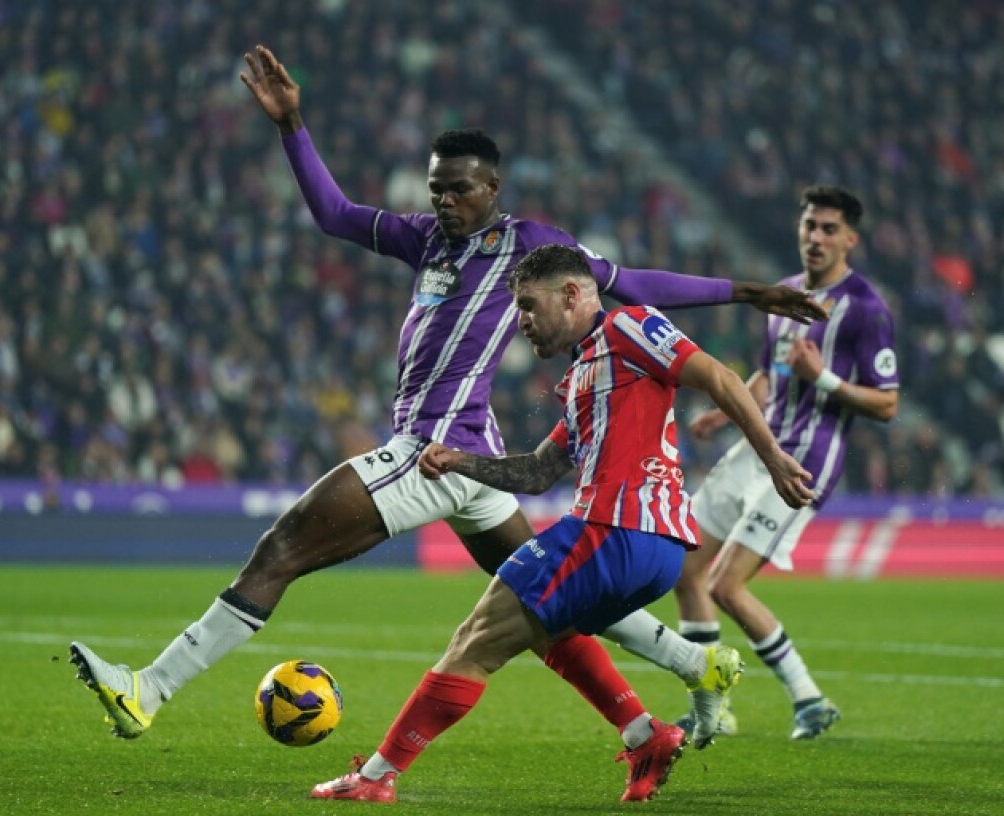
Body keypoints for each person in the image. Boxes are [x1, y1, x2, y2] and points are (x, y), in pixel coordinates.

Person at [67, 44, 825, 747]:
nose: (445, 202)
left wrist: (745, 292)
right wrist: (293, 126)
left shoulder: (527, 242)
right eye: (435, 189)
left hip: (431, 448)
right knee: (543, 595)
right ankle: (673, 691)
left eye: (459, 190)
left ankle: (149, 690)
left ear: (492, 189)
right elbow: (333, 214)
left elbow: (631, 283)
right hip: (475, 455)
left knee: (281, 548)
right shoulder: (423, 239)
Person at [310, 244, 813, 804]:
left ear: (572, 295)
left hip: (613, 531)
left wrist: (772, 457)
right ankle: (646, 736)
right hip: (655, 551)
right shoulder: (580, 378)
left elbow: (719, 376)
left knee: (476, 640)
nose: (521, 322)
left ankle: (377, 776)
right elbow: (537, 473)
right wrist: (461, 461)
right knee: (550, 633)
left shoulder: (630, 326)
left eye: (528, 306)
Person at [663, 185, 899, 740]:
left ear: (850, 239)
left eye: (828, 229)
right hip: (757, 448)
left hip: (805, 462)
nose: (815, 237)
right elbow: (771, 376)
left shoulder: (866, 309)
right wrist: (726, 412)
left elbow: (888, 402)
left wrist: (827, 379)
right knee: (685, 568)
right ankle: (712, 707)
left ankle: (808, 698)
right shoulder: (785, 296)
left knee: (725, 584)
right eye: (809, 225)